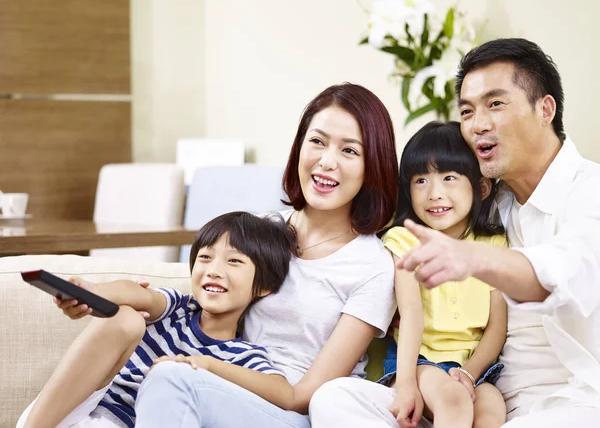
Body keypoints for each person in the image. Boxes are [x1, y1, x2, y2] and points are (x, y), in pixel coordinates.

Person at [314, 38, 600, 427]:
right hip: (458, 394)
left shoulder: (589, 192)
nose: (478, 124)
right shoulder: (486, 198)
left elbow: (563, 269)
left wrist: (471, 258)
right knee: (335, 398)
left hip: (566, 404)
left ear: (544, 109)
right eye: (467, 110)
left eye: (495, 104)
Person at [132, 82, 399, 428]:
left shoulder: (373, 266)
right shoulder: (259, 230)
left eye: (349, 151)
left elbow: (305, 396)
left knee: (171, 380)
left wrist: (206, 367)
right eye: (316, 142)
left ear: (372, 166)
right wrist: (149, 306)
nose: (326, 161)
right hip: (220, 391)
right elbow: (204, 307)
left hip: (293, 414)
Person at [309, 121, 508, 428]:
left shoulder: (493, 245)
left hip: (475, 368)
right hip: (420, 363)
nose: (434, 193)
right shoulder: (404, 242)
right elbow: (411, 316)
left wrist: (470, 371)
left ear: (481, 187)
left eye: (449, 178)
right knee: (453, 399)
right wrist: (406, 385)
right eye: (420, 181)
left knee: (492, 411)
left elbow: (497, 325)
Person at [18, 211, 296, 428]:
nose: (214, 270)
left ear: (262, 286)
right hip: (62, 414)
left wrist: (205, 365)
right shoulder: (177, 307)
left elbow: (283, 393)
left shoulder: (240, 354)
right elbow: (136, 294)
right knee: (126, 318)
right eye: (205, 257)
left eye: (233, 261)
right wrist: (94, 292)